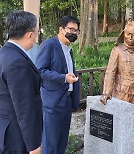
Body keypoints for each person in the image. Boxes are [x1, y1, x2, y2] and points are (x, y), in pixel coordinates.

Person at [35, 16, 80, 154]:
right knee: (50, 144)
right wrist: (63, 78)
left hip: (66, 100)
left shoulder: (68, 49)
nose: (74, 33)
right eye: (71, 29)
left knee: (62, 141)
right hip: (52, 102)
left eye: (77, 31)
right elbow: (40, 71)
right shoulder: (49, 45)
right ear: (61, 29)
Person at [0, 10, 42, 154]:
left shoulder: (4, 53)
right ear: (30, 34)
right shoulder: (17, 62)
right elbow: (24, 107)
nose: (36, 37)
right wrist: (34, 145)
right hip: (16, 134)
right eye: (36, 32)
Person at [100, 20, 134, 105]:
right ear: (123, 34)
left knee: (133, 115)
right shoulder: (117, 50)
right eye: (128, 34)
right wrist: (106, 92)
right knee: (119, 115)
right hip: (120, 91)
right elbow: (110, 72)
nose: (130, 37)